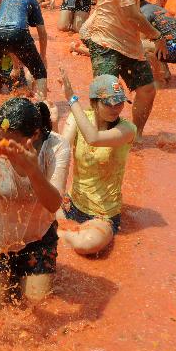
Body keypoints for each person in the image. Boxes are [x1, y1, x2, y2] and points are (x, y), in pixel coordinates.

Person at [0, 98, 65, 306]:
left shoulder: (55, 149)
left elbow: (53, 204)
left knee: (36, 305)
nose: (0, 146)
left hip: (37, 238)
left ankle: (20, 272)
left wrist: (33, 170)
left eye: (9, 142)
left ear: (34, 136)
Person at [86, 0, 166, 136]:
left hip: (127, 41)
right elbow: (132, 14)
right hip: (105, 40)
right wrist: (157, 35)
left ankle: (135, 135)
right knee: (107, 95)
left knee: (147, 89)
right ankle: (100, 139)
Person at [58, 71, 136, 255]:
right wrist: (52, 123)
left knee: (86, 245)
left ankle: (54, 235)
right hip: (71, 204)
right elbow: (60, 151)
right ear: (93, 103)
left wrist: (71, 99)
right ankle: (56, 234)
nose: (116, 108)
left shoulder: (127, 129)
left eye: (120, 102)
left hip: (102, 214)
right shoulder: (78, 118)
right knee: (26, 216)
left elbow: (93, 138)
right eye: (109, 103)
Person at [0, 0, 48, 112]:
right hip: (18, 32)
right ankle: (42, 112)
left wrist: (16, 66)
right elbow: (42, 32)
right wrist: (43, 56)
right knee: (40, 72)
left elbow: (7, 36)